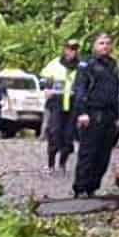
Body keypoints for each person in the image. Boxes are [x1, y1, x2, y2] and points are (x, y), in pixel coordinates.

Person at [71, 34, 119, 199]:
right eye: (101, 43)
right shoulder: (87, 65)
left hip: (109, 115)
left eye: (107, 43)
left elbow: (115, 91)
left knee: (103, 154)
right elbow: (80, 90)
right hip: (92, 114)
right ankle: (81, 187)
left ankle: (93, 186)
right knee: (88, 153)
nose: (105, 46)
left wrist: (116, 114)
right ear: (94, 46)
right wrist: (82, 112)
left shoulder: (112, 65)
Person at [40, 39, 81, 174]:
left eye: (74, 49)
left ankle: (62, 163)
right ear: (65, 49)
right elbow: (43, 79)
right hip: (56, 103)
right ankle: (50, 164)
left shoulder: (82, 67)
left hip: (73, 104)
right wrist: (47, 88)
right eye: (69, 49)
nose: (71, 52)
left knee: (69, 136)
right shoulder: (55, 64)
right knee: (54, 132)